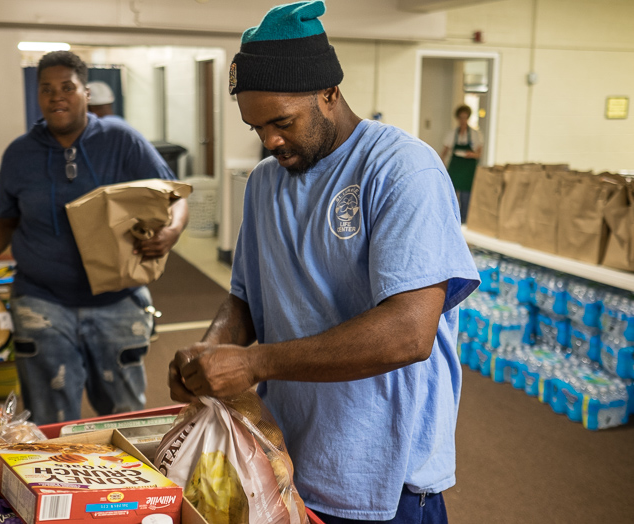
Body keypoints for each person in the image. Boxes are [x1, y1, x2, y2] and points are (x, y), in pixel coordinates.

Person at [168, 2, 479, 523]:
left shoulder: (401, 169)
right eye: (256, 128)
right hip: (286, 461)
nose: (270, 141)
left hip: (383, 477)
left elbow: (410, 333)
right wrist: (211, 351)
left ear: (330, 93)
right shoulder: (265, 183)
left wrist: (254, 363)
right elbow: (246, 296)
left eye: (281, 122)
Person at [0, 51, 188, 425]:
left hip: (117, 300)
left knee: (125, 419)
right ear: (38, 95)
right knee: (49, 422)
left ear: (86, 92)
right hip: (41, 302)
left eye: (67, 87)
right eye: (46, 89)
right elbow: (4, 220)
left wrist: (171, 232)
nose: (56, 96)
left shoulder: (122, 140)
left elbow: (173, 196)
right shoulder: (19, 154)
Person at [440, 104, 483, 224]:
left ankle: (464, 220)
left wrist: (470, 154)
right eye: (461, 117)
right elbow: (444, 151)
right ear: (457, 118)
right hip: (455, 167)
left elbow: (479, 154)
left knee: (466, 196)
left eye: (465, 117)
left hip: (468, 168)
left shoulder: (475, 134)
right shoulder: (452, 133)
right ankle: (451, 219)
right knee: (451, 194)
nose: (463, 120)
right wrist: (441, 166)